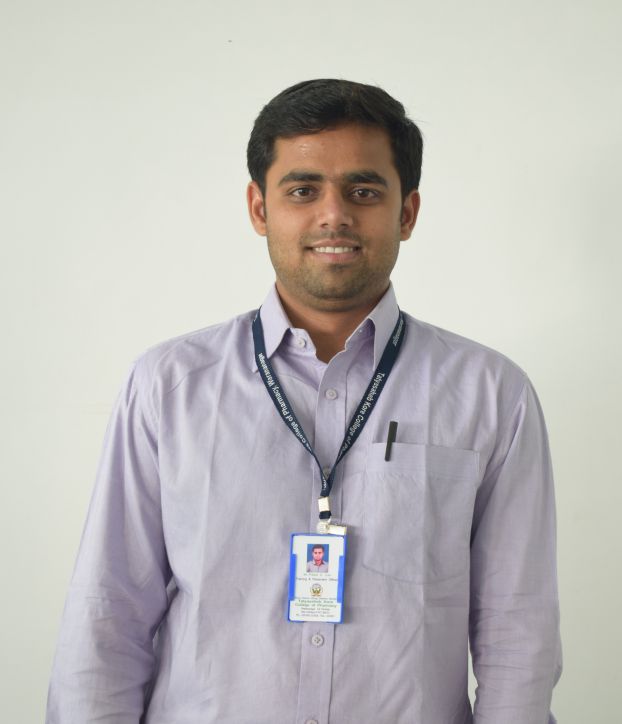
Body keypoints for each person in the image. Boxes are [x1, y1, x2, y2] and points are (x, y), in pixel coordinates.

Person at [46, 79, 562, 723]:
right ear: (259, 208)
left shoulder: (491, 394)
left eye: (364, 191)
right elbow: (109, 614)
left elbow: (517, 629)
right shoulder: (168, 385)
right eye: (302, 189)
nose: (333, 214)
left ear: (407, 213)